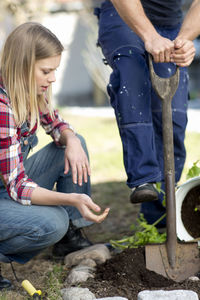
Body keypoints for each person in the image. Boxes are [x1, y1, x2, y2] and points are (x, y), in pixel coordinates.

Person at [0, 22, 110, 289]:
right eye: (46, 71)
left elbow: (56, 124)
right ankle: (62, 227)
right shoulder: (3, 107)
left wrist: (70, 138)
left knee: (75, 143)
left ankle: (70, 239)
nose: (52, 79)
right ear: (22, 67)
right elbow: (19, 187)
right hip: (10, 188)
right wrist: (70, 198)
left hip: (7, 187)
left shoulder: (32, 92)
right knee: (54, 221)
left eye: (55, 71)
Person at [94, 0, 200, 227]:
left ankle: (158, 220)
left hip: (170, 23)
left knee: (173, 116)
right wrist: (150, 36)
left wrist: (185, 40)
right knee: (133, 83)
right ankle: (143, 179)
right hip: (123, 16)